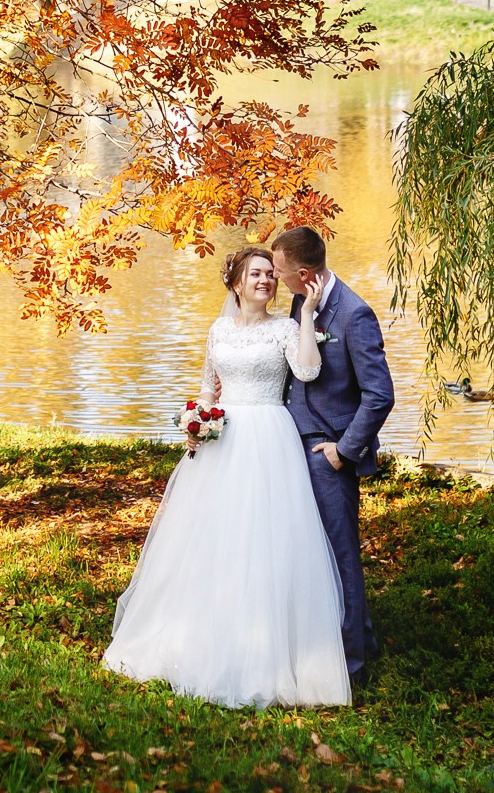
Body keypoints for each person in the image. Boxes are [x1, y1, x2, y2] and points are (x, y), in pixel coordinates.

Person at [101, 246, 353, 707]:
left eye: (270, 275)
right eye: (256, 274)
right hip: (226, 440)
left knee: (266, 540)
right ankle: (199, 639)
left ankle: (269, 652)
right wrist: (196, 422)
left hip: (269, 438)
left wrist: (309, 314)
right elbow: (206, 386)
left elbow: (309, 369)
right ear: (236, 283)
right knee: (213, 538)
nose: (266, 281)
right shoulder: (217, 330)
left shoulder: (284, 327)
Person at [273, 227, 393, 681]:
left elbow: (379, 396)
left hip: (327, 453)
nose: (278, 280)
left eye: (282, 273)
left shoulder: (354, 315)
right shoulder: (301, 303)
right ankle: (359, 640)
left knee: (340, 554)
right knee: (311, 551)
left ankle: (352, 666)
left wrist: (343, 451)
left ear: (304, 275)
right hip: (288, 448)